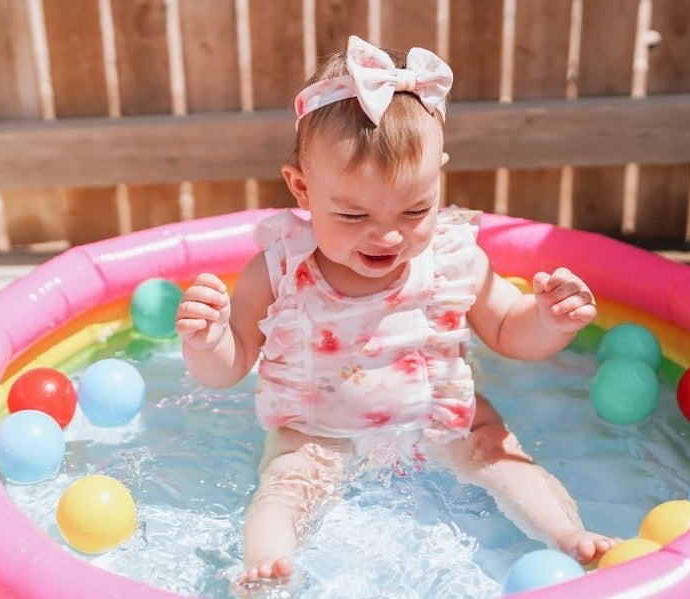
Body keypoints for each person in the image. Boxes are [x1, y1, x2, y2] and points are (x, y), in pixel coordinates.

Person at [176, 35, 618, 588]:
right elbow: (230, 364)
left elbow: (508, 329)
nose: (387, 234)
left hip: (440, 415)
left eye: (415, 209)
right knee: (289, 481)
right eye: (353, 214)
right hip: (318, 426)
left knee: (498, 451)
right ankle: (267, 565)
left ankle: (566, 535)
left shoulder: (454, 257)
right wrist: (207, 339)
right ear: (302, 189)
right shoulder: (278, 269)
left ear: (440, 181)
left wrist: (548, 320)